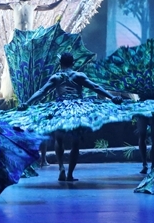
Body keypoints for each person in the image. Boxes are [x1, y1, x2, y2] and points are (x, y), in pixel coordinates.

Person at [18, 52, 122, 182]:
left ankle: (61, 167)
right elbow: (95, 87)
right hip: (76, 109)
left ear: (60, 63)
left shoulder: (56, 77)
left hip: (60, 108)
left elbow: (42, 91)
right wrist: (112, 97)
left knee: (59, 139)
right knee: (75, 142)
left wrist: (27, 103)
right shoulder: (79, 76)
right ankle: (70, 174)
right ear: (73, 63)